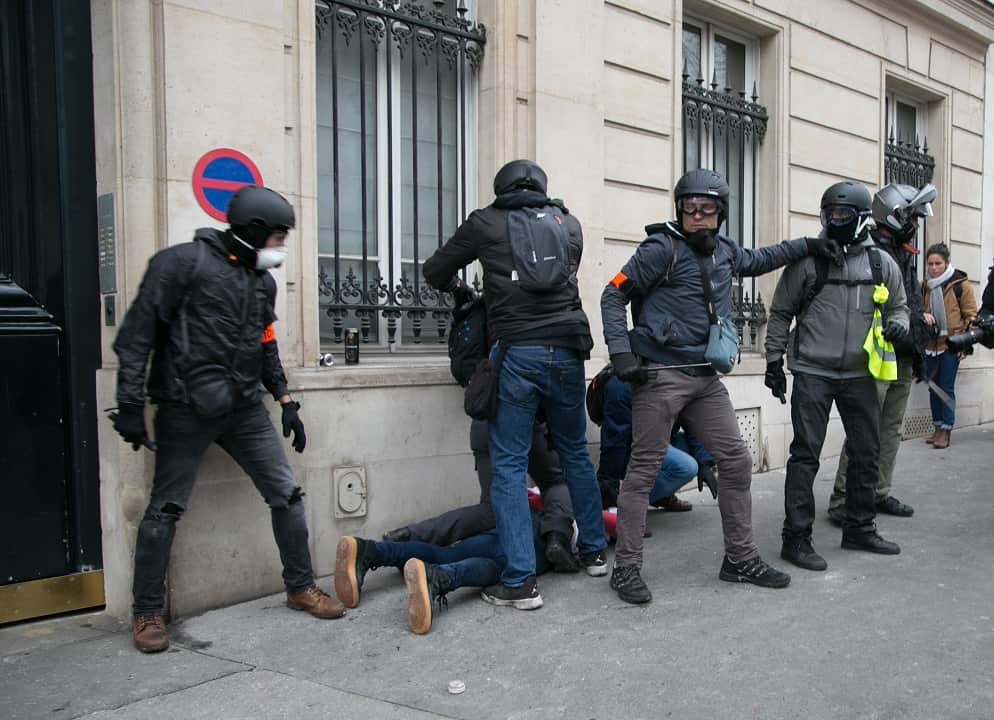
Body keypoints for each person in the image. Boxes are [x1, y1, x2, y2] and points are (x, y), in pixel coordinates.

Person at [112, 186, 344, 653]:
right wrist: (131, 404)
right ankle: (147, 613)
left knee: (287, 495)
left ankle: (300, 586)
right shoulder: (179, 264)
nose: (280, 248)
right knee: (165, 509)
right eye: (278, 238)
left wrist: (285, 400)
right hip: (184, 409)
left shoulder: (263, 283)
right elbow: (137, 336)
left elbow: (265, 344)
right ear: (255, 231)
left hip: (243, 409)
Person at [600, 168, 840, 604]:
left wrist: (807, 245)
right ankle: (627, 568)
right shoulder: (660, 249)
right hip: (660, 377)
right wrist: (621, 353)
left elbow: (763, 258)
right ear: (679, 210)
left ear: (720, 215)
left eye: (706, 210)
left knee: (735, 460)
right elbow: (613, 294)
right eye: (689, 209)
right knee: (642, 472)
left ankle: (740, 559)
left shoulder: (724, 252)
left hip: (705, 379)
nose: (697, 216)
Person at [422, 159, 608, 610]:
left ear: (500, 188)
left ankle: (521, 582)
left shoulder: (486, 222)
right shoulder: (570, 225)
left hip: (517, 353)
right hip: (567, 350)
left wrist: (467, 291)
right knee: (574, 454)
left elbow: (435, 270)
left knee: (508, 464)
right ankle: (596, 553)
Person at [765, 181, 909, 573]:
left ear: (862, 218)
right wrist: (773, 360)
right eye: (830, 214)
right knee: (805, 455)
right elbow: (780, 312)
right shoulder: (809, 262)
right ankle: (795, 538)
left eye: (843, 215)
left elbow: (899, 306)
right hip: (813, 370)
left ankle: (860, 526)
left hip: (861, 373)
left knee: (867, 451)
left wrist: (898, 326)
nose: (835, 221)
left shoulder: (881, 263)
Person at [827, 183, 936, 526]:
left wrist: (919, 335)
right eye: (912, 217)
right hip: (877, 356)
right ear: (895, 214)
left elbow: (907, 305)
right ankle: (843, 498)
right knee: (864, 430)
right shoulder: (869, 250)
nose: (916, 225)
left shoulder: (903, 253)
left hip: (903, 354)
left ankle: (877, 492)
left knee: (890, 430)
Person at [382, 418, 579, 572]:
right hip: (525, 421)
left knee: (492, 508)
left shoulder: (484, 364)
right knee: (557, 481)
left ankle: (410, 535)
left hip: (483, 423)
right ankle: (557, 538)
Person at [597, 375, 717, 511]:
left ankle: (661, 496)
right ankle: (629, 508)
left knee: (712, 443)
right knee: (686, 466)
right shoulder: (620, 386)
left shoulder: (675, 376)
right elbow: (614, 440)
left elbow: (692, 421)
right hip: (632, 449)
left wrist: (704, 463)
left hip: (662, 440)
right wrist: (608, 485)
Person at [921, 242, 977, 449]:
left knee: (946, 388)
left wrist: (965, 343)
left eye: (938, 263)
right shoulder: (925, 285)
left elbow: (971, 315)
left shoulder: (961, 284)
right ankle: (936, 427)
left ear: (946, 263)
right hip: (930, 344)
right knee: (933, 388)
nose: (934, 268)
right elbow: (919, 309)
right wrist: (923, 314)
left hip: (951, 345)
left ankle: (946, 429)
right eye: (930, 264)